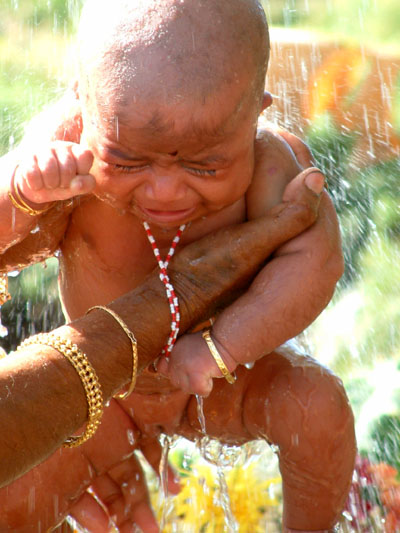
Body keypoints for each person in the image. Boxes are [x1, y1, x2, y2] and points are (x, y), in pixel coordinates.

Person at [0, 0, 356, 531]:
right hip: (100, 392)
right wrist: (23, 192)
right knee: (10, 496)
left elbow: (316, 263)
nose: (164, 190)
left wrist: (223, 346)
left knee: (318, 406)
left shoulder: (273, 165)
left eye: (205, 164)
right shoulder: (67, 145)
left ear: (255, 113)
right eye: (126, 161)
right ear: (84, 101)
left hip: (222, 385)